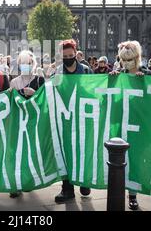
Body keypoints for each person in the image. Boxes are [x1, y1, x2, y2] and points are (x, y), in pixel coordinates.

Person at [110, 40, 151, 210]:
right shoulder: (118, 74)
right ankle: (119, 191)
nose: (126, 63)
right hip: (122, 123)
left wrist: (145, 82)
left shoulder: (147, 73)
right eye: (123, 59)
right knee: (119, 160)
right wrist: (112, 81)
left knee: (135, 161)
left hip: (139, 125)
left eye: (130, 59)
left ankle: (133, 194)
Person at [51, 39, 93, 203]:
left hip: (83, 118)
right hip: (65, 120)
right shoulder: (58, 73)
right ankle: (67, 189)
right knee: (65, 153)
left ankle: (84, 181)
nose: (69, 57)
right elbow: (52, 93)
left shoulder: (86, 71)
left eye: (71, 55)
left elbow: (94, 91)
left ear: (76, 54)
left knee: (83, 151)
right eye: (65, 55)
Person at [8, 50, 45, 198]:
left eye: (28, 63)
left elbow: (44, 101)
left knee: (31, 152)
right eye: (23, 63)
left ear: (33, 64)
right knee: (17, 152)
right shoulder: (14, 82)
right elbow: (9, 102)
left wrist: (34, 95)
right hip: (18, 122)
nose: (25, 66)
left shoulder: (39, 80)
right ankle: (15, 184)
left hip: (32, 122)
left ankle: (28, 181)